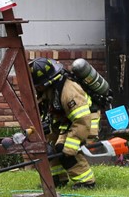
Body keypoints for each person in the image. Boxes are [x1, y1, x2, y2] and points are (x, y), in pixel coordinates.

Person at [30, 57, 100, 188]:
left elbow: (82, 120)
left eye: (38, 86)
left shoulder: (69, 92)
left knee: (65, 150)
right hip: (68, 120)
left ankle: (86, 182)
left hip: (87, 120)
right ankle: (57, 178)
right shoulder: (51, 89)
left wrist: (71, 145)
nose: (37, 89)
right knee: (51, 147)